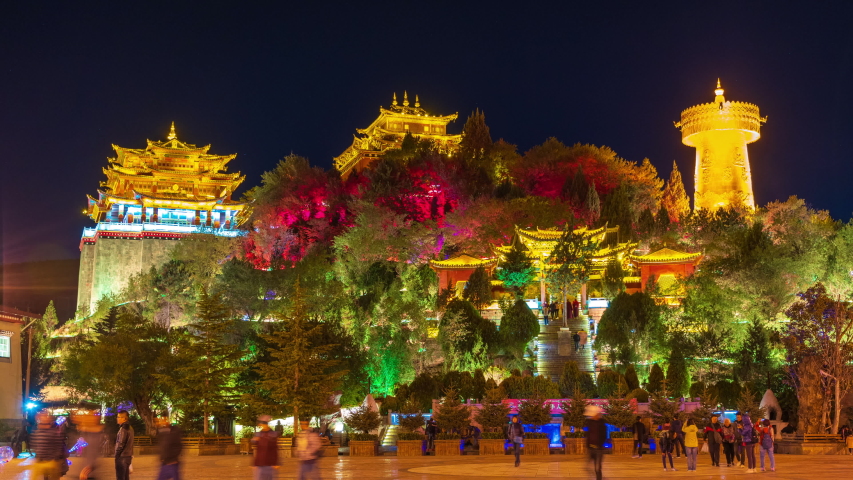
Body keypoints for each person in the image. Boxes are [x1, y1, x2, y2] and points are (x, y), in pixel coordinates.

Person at [29, 412, 65, 480]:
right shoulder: (37, 432)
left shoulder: (53, 433)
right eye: (41, 417)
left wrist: (55, 458)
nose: (43, 418)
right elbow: (35, 445)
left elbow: (58, 446)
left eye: (45, 417)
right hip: (40, 461)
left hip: (51, 462)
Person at [252, 414, 279, 480]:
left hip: (269, 464)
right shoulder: (259, 434)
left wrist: (275, 463)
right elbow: (258, 450)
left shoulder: (272, 434)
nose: (259, 426)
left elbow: (274, 449)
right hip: (260, 464)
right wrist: (255, 463)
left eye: (260, 424)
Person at [156, 415, 183, 480]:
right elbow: (163, 446)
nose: (160, 422)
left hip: (172, 462)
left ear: (167, 420)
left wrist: (173, 458)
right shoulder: (162, 432)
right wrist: (162, 457)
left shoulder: (174, 431)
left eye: (162, 420)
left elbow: (178, 446)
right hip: (165, 462)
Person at [585, 405, 607, 480]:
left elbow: (604, 435)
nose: (591, 416)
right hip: (591, 448)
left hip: (599, 449)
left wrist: (600, 445)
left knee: (598, 468)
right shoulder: (590, 422)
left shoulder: (601, 424)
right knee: (594, 467)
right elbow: (589, 434)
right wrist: (588, 445)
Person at [115, 410, 135, 480]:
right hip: (128, 456)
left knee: (120, 477)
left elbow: (121, 444)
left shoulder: (123, 429)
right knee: (126, 477)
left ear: (124, 418)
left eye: (119, 417)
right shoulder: (130, 428)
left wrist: (117, 456)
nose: (117, 418)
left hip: (122, 457)